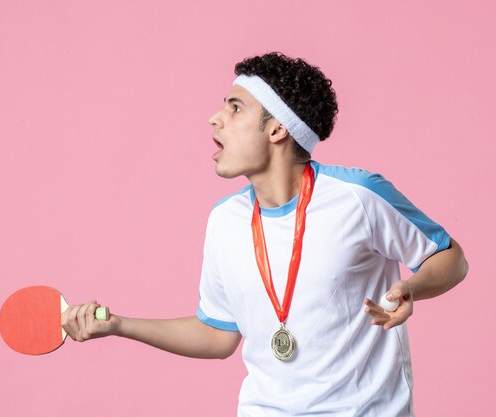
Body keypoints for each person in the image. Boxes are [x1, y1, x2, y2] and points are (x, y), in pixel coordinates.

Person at [62, 52, 468, 416]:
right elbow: (218, 334)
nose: (215, 118)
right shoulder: (224, 220)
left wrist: (412, 288)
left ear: (277, 130)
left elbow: (450, 257)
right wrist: (118, 325)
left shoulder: (358, 196)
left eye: (235, 108)